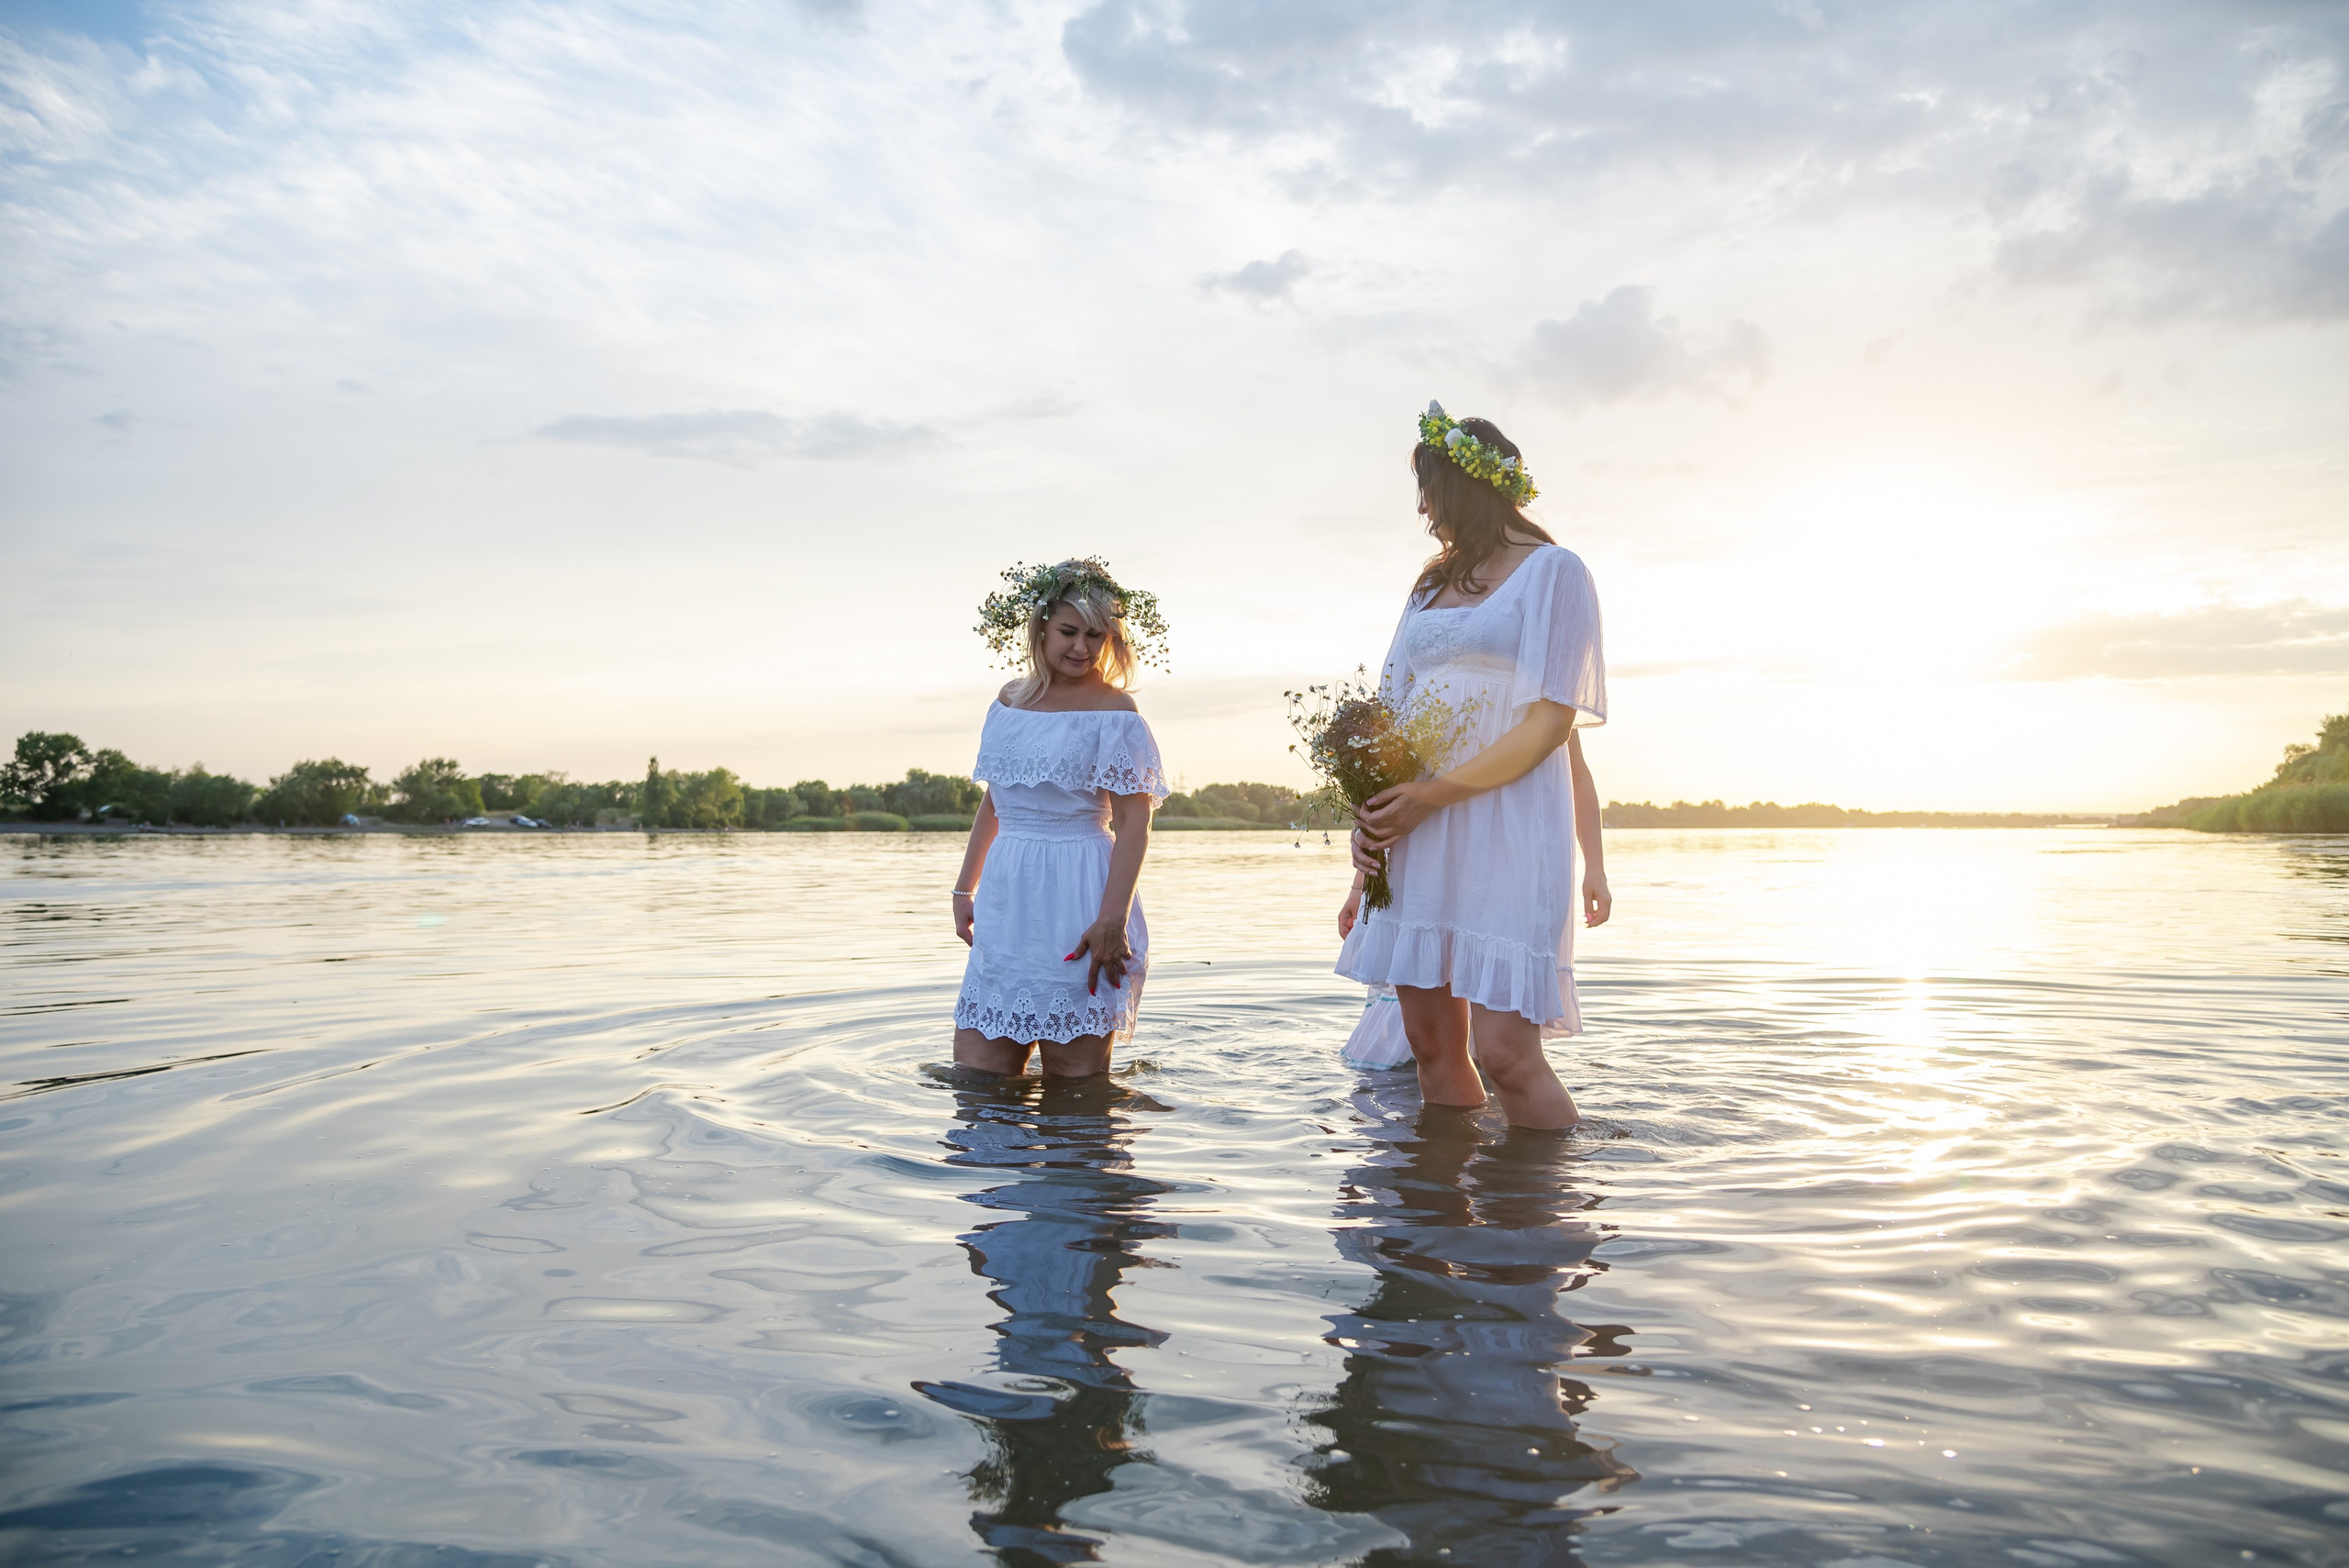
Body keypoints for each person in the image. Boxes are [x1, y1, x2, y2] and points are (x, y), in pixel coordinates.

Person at [1335, 403, 1610, 1129]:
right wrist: (1369, 843)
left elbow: (1551, 723)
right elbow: (1387, 720)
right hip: (1418, 829)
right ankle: (1442, 1212)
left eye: (1431, 491)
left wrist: (1435, 793)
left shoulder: (1555, 572)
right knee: (1429, 1044)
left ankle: (1543, 1221)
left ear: (1468, 485)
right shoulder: (1426, 587)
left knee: (1508, 1055)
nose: (1424, 510)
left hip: (1507, 822)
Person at [952, 559, 1171, 1077]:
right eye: (1069, 631)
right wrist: (965, 890)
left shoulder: (1116, 713)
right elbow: (996, 801)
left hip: (1082, 897)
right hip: (1009, 904)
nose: (1082, 647)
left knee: (1075, 1095)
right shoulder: (1008, 703)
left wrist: (1111, 920)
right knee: (978, 1079)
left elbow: (1135, 826)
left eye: (1096, 635)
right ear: (1041, 626)